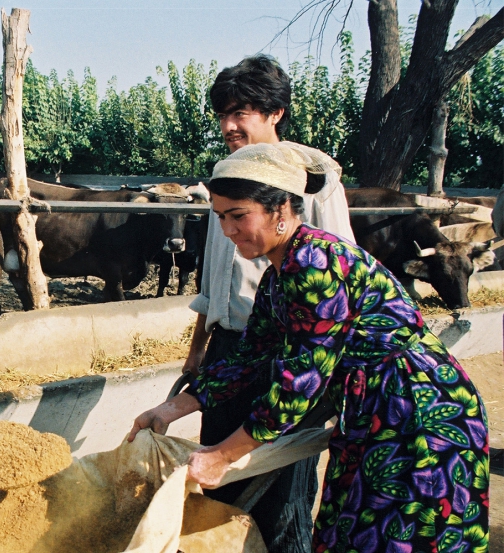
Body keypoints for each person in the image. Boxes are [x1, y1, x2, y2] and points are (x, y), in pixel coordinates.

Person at [130, 142, 490, 552]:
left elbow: (298, 382)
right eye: (220, 218)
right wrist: (171, 409)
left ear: (280, 209)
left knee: (402, 534)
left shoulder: (316, 264)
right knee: (355, 532)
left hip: (416, 413)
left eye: (238, 216)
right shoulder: (277, 276)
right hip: (371, 409)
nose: (228, 231)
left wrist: (223, 456)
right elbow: (250, 357)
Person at [172, 54, 355, 552]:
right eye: (223, 115)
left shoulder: (311, 182)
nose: (230, 125)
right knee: (218, 480)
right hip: (237, 349)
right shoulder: (227, 179)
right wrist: (199, 353)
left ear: (275, 113)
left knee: (283, 492)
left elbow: (335, 301)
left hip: (300, 355)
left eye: (242, 112)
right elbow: (215, 282)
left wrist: (323, 381)